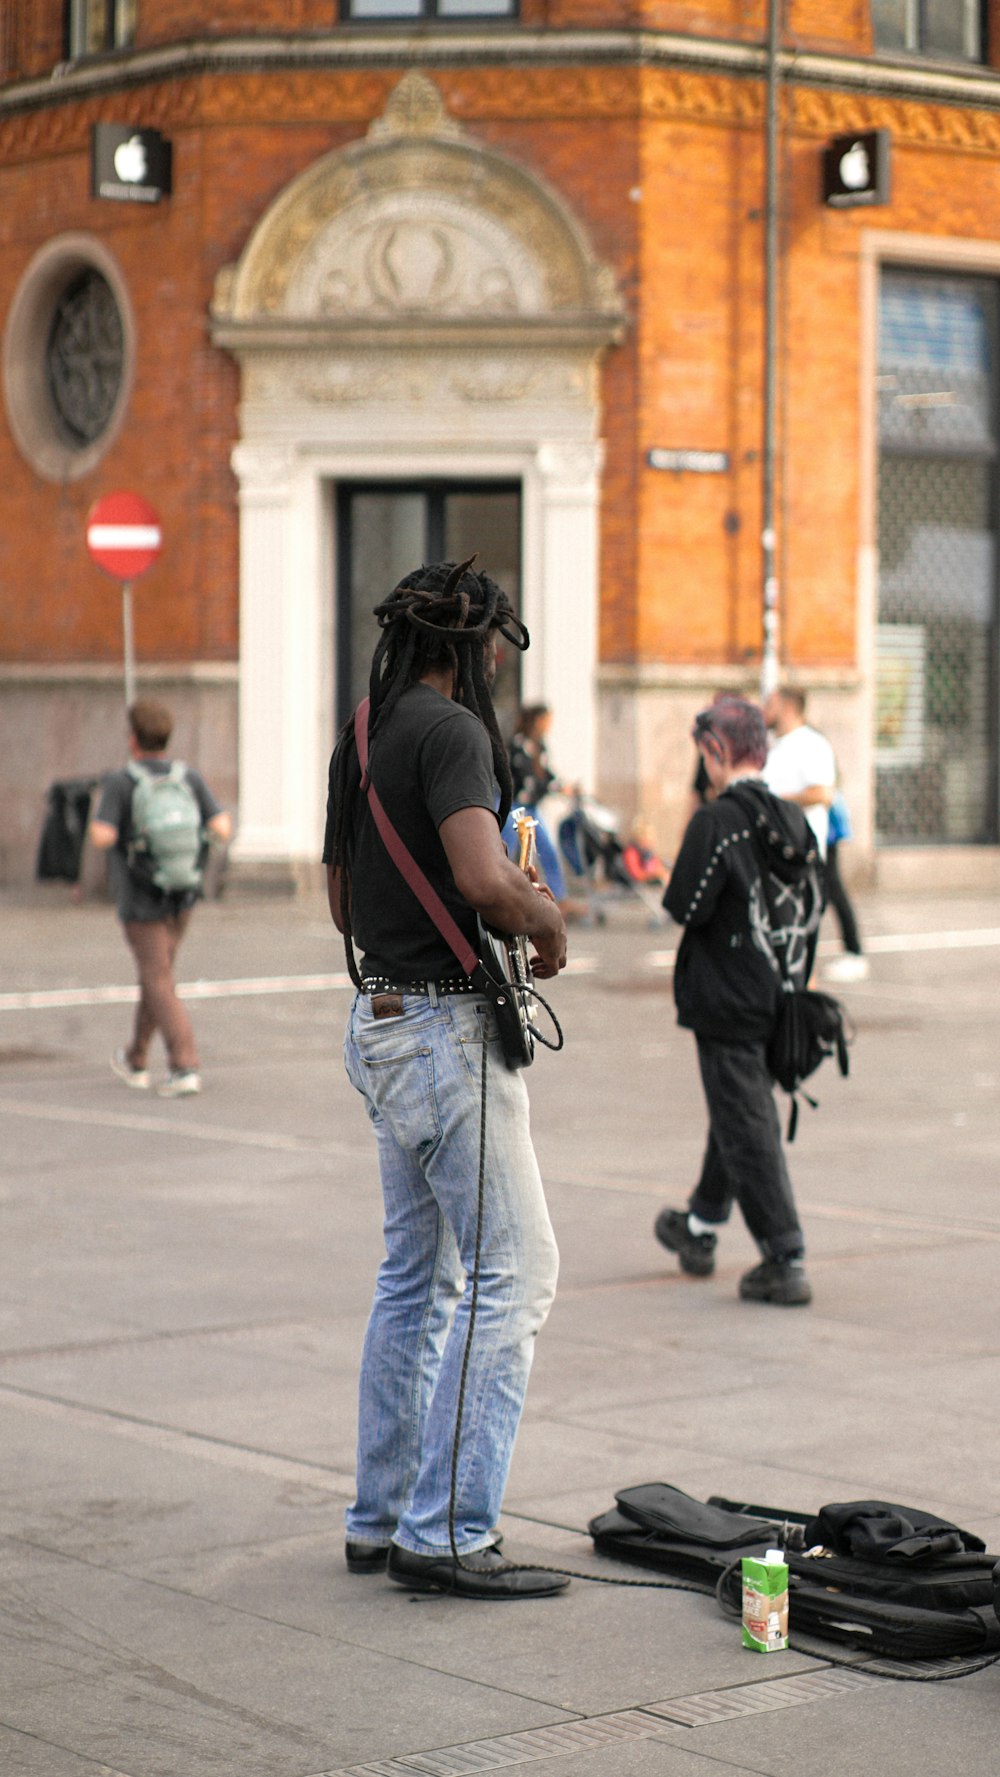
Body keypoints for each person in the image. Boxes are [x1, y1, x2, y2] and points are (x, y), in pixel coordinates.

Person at [323, 558, 569, 1600]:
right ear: (476, 646)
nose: (501, 666)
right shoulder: (458, 732)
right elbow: (477, 878)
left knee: (415, 1278)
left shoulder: (367, 730)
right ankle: (450, 1532)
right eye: (497, 648)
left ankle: (379, 1517)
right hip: (443, 1037)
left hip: (378, 1022)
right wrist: (542, 914)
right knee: (517, 1273)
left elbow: (339, 899)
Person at [654, 696, 819, 1306]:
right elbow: (815, 904)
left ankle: (785, 1254)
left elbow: (684, 905)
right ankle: (699, 1226)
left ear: (718, 752)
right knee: (738, 1104)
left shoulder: (718, 821)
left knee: (747, 1118)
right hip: (781, 991)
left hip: (725, 995)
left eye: (705, 755)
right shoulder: (791, 818)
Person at [88, 698, 231, 1097]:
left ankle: (184, 1065)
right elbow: (221, 825)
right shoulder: (188, 777)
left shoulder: (122, 781)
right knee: (157, 975)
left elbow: (103, 835)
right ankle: (135, 1058)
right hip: (183, 892)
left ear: (133, 739)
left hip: (141, 897)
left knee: (158, 978)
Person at [501, 704, 582, 916]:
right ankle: (501, 894)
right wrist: (554, 787)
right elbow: (529, 781)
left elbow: (545, 774)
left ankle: (559, 898)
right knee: (505, 851)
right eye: (547, 720)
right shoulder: (519, 744)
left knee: (547, 851)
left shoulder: (540, 745)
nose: (549, 725)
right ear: (537, 720)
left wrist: (563, 786)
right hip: (515, 806)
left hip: (532, 808)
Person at [762, 686, 836, 857]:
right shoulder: (767, 743)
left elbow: (822, 794)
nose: (764, 710)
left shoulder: (813, 744)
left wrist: (774, 801)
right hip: (771, 849)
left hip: (802, 852)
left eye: (770, 705)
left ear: (787, 706)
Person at [822, 790, 869, 984]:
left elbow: (823, 794)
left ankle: (854, 952)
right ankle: (854, 952)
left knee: (834, 890)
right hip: (824, 829)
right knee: (829, 891)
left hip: (824, 831)